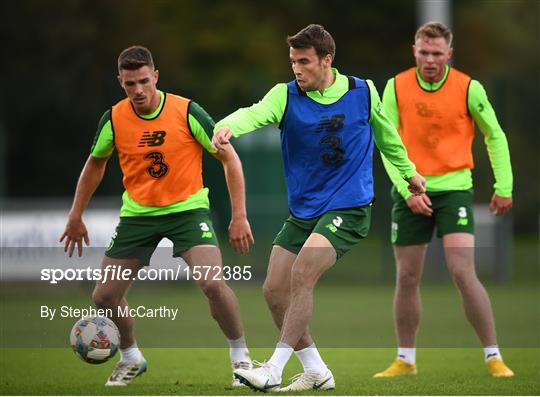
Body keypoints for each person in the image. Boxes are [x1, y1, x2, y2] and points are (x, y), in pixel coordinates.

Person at [212, 24, 425, 392]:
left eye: (304, 61)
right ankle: (317, 371)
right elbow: (253, 113)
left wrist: (410, 175)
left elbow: (389, 138)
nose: (296, 69)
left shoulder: (362, 91)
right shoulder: (285, 95)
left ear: (327, 61)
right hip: (305, 212)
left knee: (302, 274)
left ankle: (274, 369)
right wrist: (226, 127)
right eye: (293, 61)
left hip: (350, 206)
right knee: (274, 290)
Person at [60, 46, 254, 387]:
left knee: (212, 283)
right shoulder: (114, 119)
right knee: (104, 297)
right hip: (139, 216)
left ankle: (241, 359)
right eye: (130, 83)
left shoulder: (186, 111)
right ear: (120, 81)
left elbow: (230, 159)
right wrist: (76, 215)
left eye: (144, 82)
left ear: (156, 77)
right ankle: (132, 358)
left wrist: (239, 215)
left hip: (188, 211)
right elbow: (95, 163)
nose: (138, 90)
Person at [374, 22, 514, 378]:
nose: (430, 59)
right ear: (414, 50)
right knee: (406, 276)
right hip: (411, 188)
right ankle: (405, 360)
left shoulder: (469, 88)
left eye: (437, 53)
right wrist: (407, 191)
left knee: (462, 271)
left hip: (454, 189)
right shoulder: (395, 87)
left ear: (449, 54)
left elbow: (494, 135)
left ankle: (493, 356)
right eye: (424, 52)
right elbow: (388, 146)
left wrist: (504, 186)